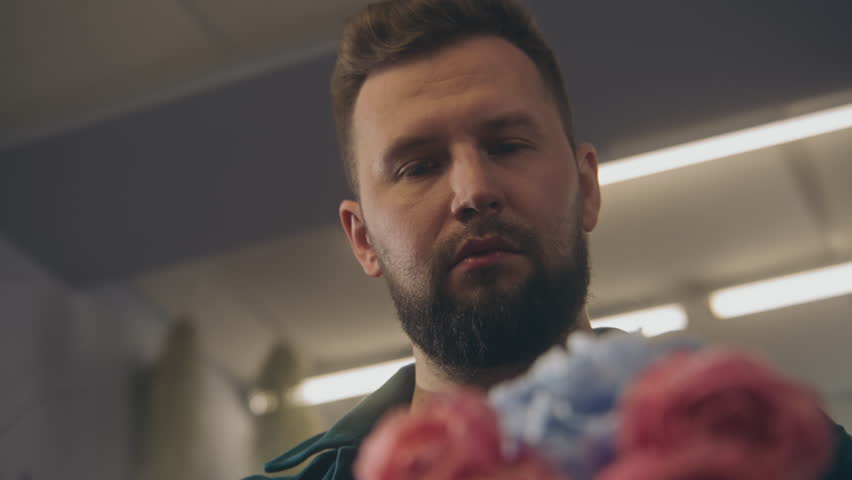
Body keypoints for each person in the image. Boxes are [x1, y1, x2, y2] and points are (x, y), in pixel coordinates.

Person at [247, 1, 852, 479]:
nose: (473, 191)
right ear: (362, 240)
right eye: (419, 167)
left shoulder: (780, 451)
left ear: (586, 187)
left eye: (508, 145)